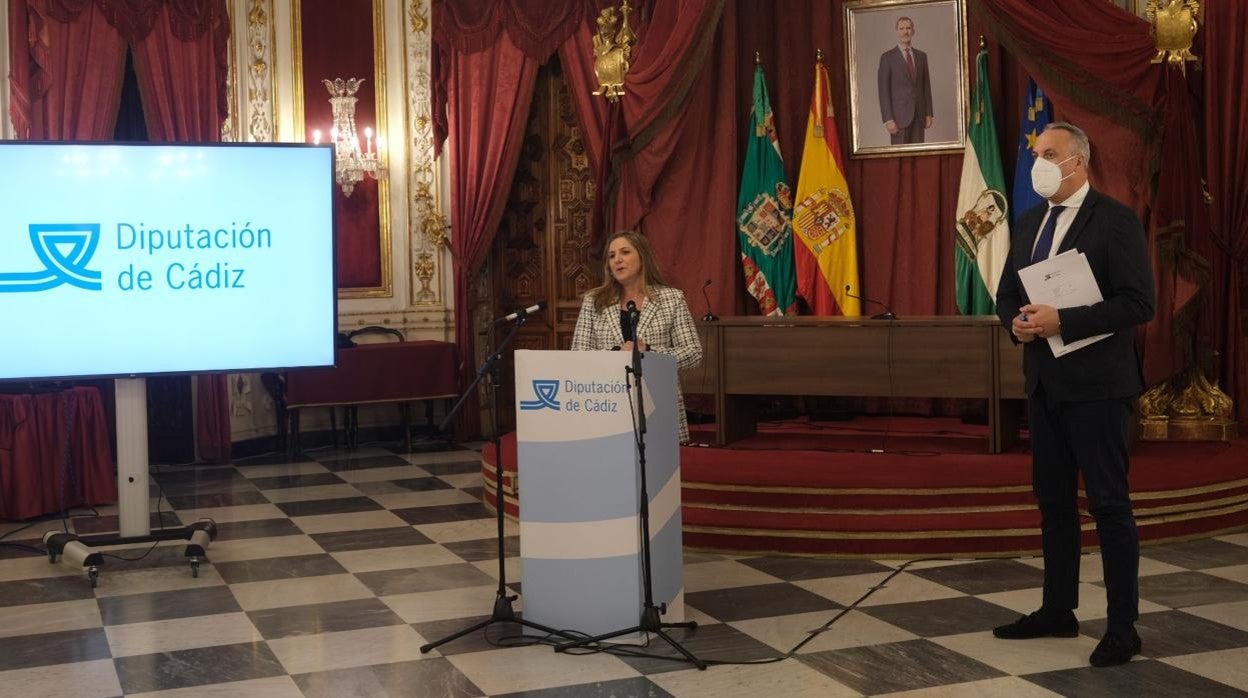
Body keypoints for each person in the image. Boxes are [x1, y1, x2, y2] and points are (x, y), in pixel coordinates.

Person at [994, 122, 1155, 668]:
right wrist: (1014, 324)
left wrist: (1064, 319)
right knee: (1054, 505)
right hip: (1044, 385)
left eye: (1050, 153)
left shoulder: (1115, 221)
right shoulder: (1029, 221)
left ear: (1078, 162)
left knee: (1110, 506)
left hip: (1098, 389)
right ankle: (1058, 610)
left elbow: (1138, 303)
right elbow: (1008, 294)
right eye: (1036, 153)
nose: (1038, 161)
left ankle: (1122, 628)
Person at [572, 230, 702, 444]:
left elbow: (693, 353)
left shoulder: (671, 299)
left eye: (625, 252)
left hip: (657, 403)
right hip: (607, 402)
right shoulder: (594, 301)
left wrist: (649, 352)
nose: (617, 260)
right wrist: (615, 354)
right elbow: (579, 353)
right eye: (611, 256)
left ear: (642, 257)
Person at [877, 16, 933, 145]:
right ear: (897, 32)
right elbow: (883, 91)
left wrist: (929, 113)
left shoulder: (921, 56)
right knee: (900, 160)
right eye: (901, 28)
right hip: (898, 119)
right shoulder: (887, 58)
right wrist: (888, 119)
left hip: (919, 116)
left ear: (913, 31)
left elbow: (926, 86)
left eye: (908, 28)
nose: (905, 32)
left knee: (919, 159)